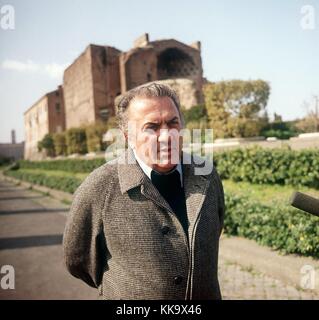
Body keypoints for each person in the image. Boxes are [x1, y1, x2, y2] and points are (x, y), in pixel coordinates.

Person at [62, 82, 225, 300]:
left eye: (173, 123)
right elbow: (77, 261)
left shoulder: (207, 175)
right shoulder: (100, 186)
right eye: (152, 127)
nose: (167, 136)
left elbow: (215, 229)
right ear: (128, 135)